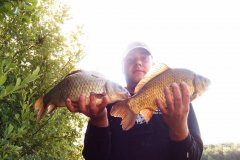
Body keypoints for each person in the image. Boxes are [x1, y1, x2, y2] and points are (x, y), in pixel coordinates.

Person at [66, 42, 203, 160]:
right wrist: (99, 120)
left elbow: (194, 156)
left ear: (153, 64)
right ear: (122, 66)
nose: (138, 62)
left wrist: (179, 129)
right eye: (131, 59)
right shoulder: (106, 101)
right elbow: (93, 156)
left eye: (144, 58)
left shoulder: (178, 99)